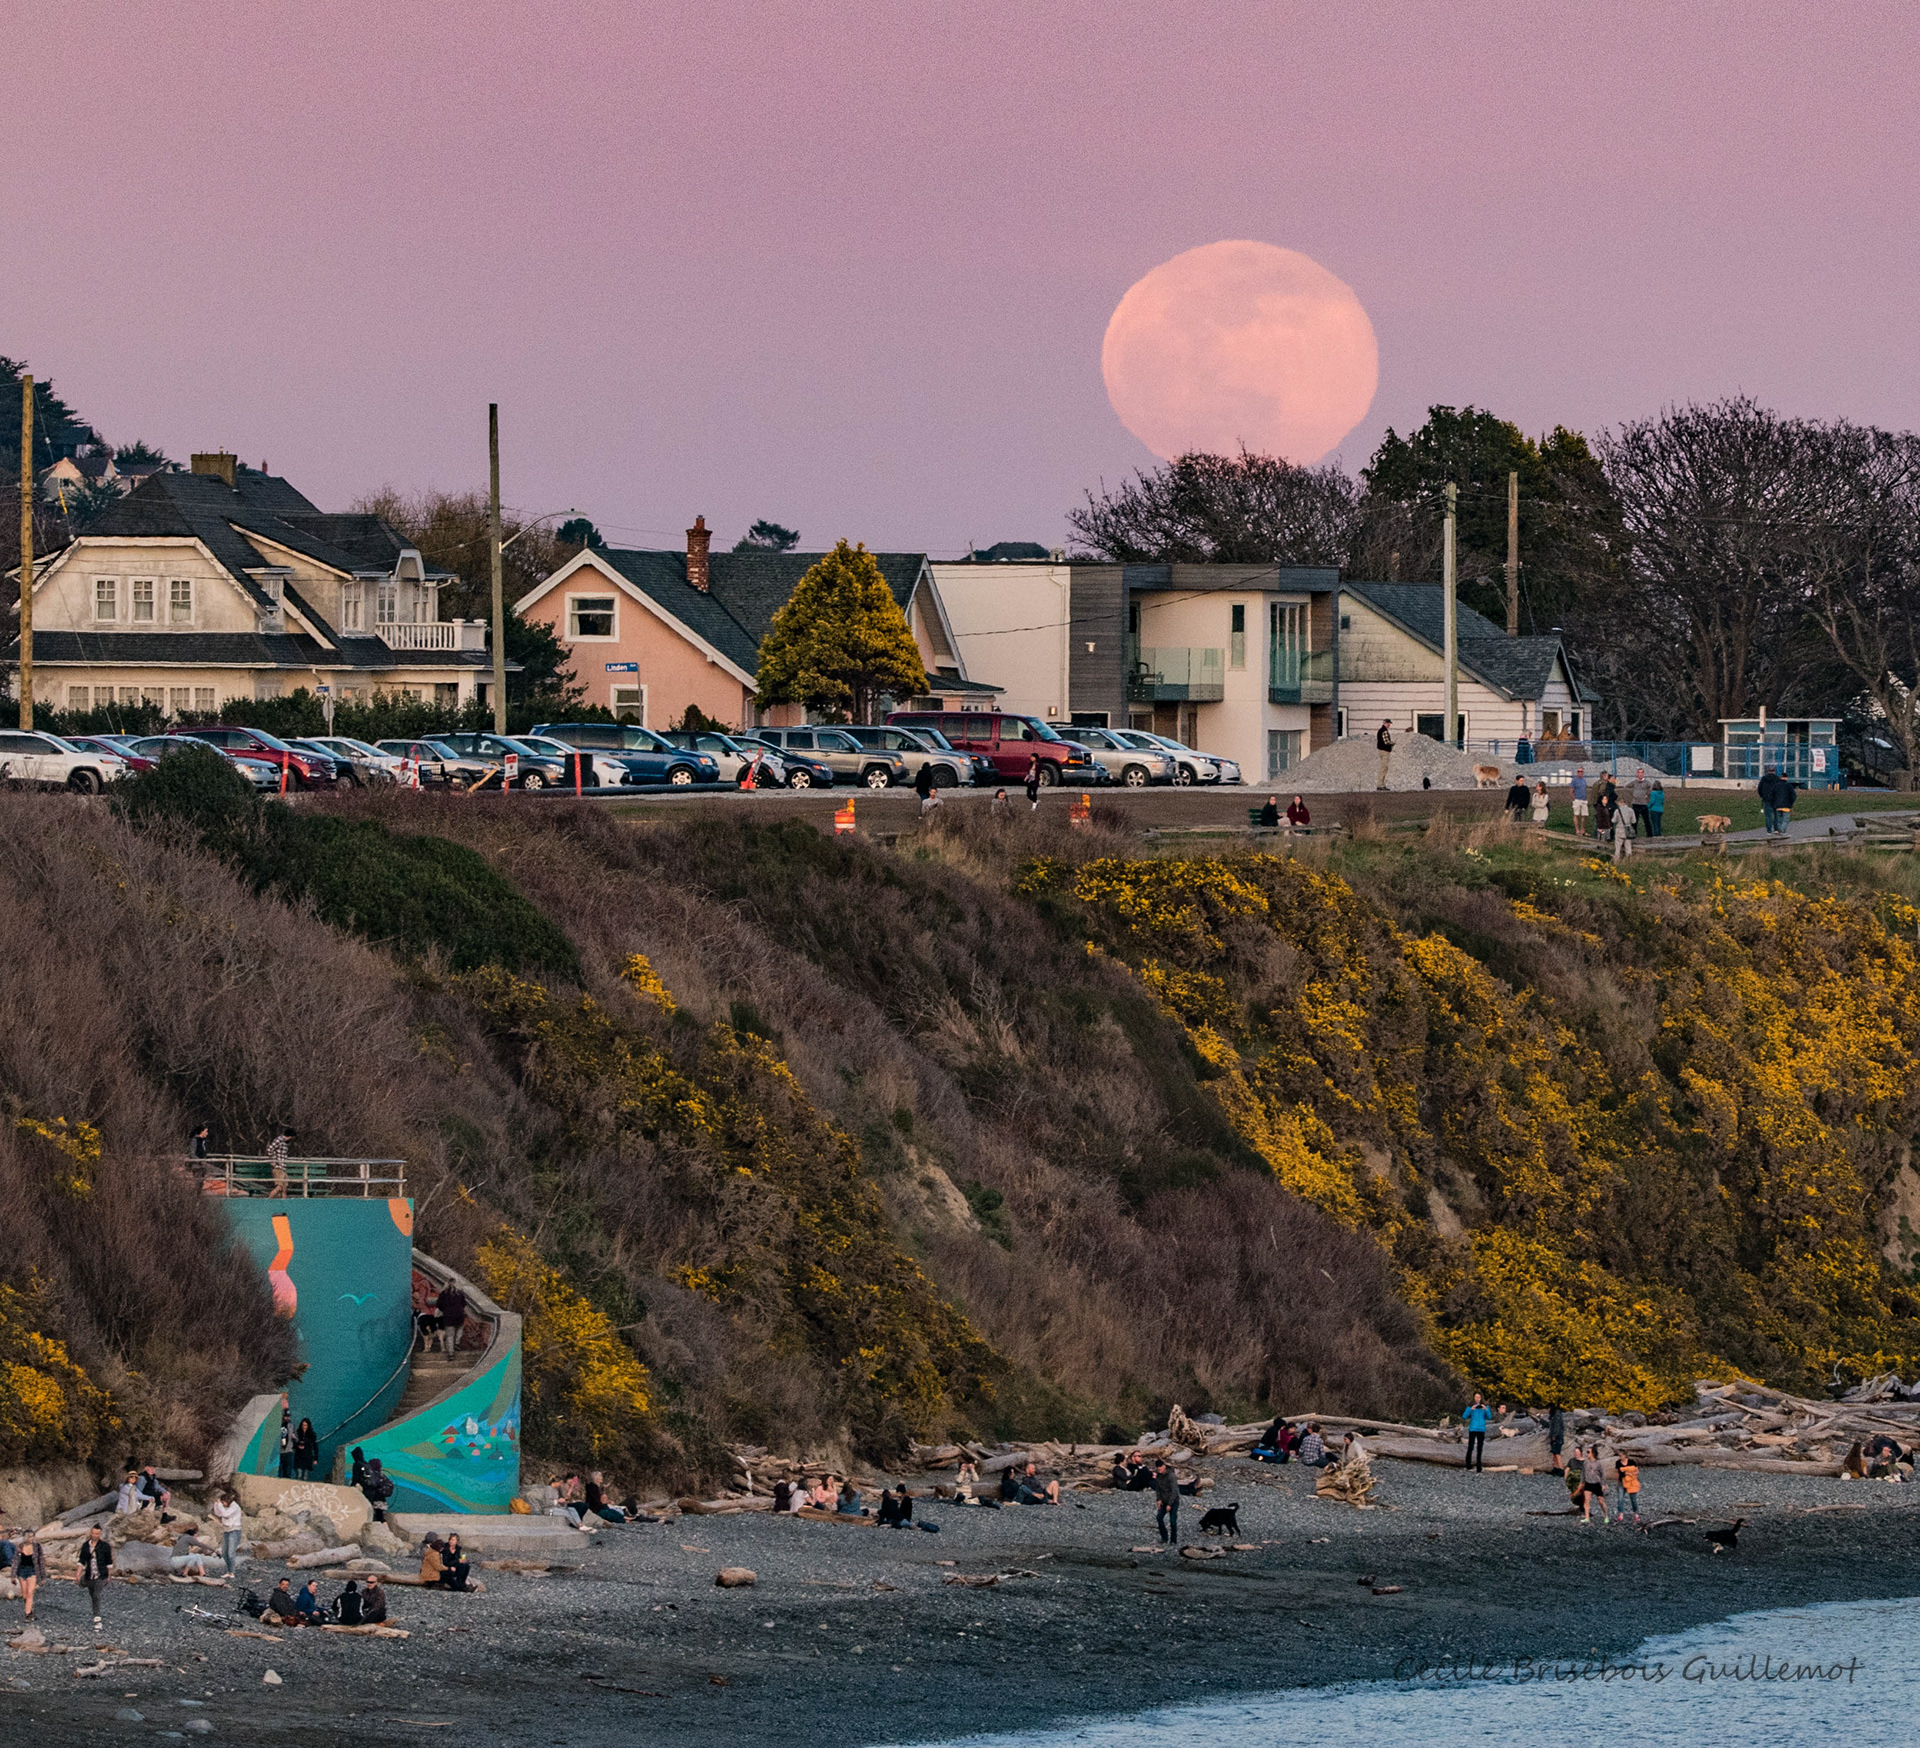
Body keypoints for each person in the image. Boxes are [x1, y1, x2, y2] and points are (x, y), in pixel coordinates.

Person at [76, 1524, 112, 1629]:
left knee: (96, 1595)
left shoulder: (105, 1546)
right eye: (93, 1533)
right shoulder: (86, 1546)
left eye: (97, 1533)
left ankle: (97, 1618)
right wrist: (78, 1574)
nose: (95, 1535)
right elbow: (81, 1561)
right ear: (91, 1533)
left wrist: (109, 1576)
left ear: (100, 1534)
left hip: (101, 1575)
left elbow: (109, 1562)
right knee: (92, 1595)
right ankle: (95, 1613)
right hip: (89, 1574)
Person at [212, 1491, 244, 1574]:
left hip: (234, 1530)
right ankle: (229, 1570)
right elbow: (218, 1513)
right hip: (226, 1530)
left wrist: (219, 1505)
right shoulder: (225, 1507)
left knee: (231, 1553)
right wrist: (216, 1505)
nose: (223, 1504)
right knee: (224, 1553)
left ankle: (232, 1572)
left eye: (224, 1503)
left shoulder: (235, 1506)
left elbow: (226, 1514)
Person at [1151, 1458, 1181, 1544]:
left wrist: (1170, 1504)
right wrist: (1158, 1499)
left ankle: (1173, 1539)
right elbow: (1158, 1489)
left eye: (1160, 1466)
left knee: (1172, 1520)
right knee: (1159, 1517)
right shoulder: (1159, 1476)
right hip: (1163, 1500)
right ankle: (1164, 1537)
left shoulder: (1171, 1476)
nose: (1159, 1468)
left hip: (1173, 1501)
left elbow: (1174, 1491)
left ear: (1164, 1466)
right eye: (1157, 1467)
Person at [436, 1280, 469, 1357]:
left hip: (448, 1316)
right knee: (459, 1328)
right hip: (459, 1315)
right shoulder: (460, 1293)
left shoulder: (443, 1294)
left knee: (450, 1335)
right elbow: (464, 1303)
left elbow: (439, 1304)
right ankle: (457, 1342)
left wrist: (444, 1310)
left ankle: (450, 1353)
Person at [1579, 1445, 1610, 1524]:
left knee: (1601, 1501)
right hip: (1588, 1484)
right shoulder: (1586, 1462)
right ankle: (1587, 1518)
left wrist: (1603, 1484)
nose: (1587, 1454)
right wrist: (1581, 1482)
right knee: (1587, 1501)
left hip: (1597, 1484)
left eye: (1588, 1452)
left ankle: (1606, 1515)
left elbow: (1602, 1474)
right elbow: (1583, 1472)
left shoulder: (1598, 1463)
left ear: (1593, 1453)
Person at [1462, 1393, 1491, 1472]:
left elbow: (1489, 1417)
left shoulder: (1485, 1407)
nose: (1477, 1399)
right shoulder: (1470, 1407)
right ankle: (1468, 1464)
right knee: (1470, 1447)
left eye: (1479, 1397)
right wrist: (1470, 1409)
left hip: (1481, 1429)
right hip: (1473, 1429)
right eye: (1476, 1397)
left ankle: (1479, 1465)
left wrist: (1486, 1410)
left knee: (1480, 1448)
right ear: (1474, 1398)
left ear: (1481, 1398)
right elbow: (1464, 1416)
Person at [362, 1457, 394, 1524]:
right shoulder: (382, 1475)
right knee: (380, 1517)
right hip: (381, 1501)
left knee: (373, 1518)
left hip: (373, 1499)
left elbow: (370, 1484)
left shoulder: (371, 1475)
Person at [413, 1275, 440, 1353]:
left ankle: (427, 1347)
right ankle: (428, 1347)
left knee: (425, 1334)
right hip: (429, 1316)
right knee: (429, 1334)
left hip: (424, 1317)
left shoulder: (421, 1301)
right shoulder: (427, 1297)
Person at [1615, 1454, 1643, 1524]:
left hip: (1631, 1482)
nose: (1620, 1457)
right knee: (1620, 1498)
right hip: (1622, 1482)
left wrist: (1628, 1473)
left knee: (1633, 1499)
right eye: (1619, 1456)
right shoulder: (1618, 1462)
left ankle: (1636, 1514)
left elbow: (1637, 1471)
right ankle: (1621, 1514)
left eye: (1621, 1455)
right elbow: (1618, 1473)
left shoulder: (1631, 1462)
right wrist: (1617, 1483)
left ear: (1625, 1456)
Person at [267, 1126, 293, 1198]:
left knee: (284, 1188)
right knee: (279, 1187)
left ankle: (284, 1205)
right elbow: (270, 1149)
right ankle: (267, 1201)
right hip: (278, 1167)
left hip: (283, 1167)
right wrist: (275, 1161)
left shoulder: (284, 1143)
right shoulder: (279, 1140)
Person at [292, 1417, 319, 1482]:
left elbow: (315, 1446)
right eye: (303, 1425)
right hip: (299, 1455)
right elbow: (294, 1444)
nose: (304, 1427)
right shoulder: (298, 1433)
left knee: (305, 1475)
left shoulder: (312, 1435)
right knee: (299, 1474)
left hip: (307, 1456)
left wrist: (316, 1458)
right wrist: (297, 1445)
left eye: (305, 1425)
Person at [1628, 769, 1652, 836]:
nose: (1640, 774)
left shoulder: (1647, 783)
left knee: (1647, 820)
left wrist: (1647, 794)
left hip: (1644, 804)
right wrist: (1633, 794)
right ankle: (1633, 834)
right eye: (1639, 773)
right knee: (1634, 821)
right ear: (1637, 774)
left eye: (1641, 773)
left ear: (1643, 774)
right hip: (1635, 803)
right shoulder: (1634, 782)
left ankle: (1650, 835)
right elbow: (1626, 787)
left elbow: (1651, 788)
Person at [275, 1402, 295, 1479]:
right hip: (280, 1451)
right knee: (279, 1472)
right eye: (286, 1416)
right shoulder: (279, 1425)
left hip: (288, 1451)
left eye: (288, 1416)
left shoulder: (292, 1426)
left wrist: (294, 1438)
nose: (287, 1418)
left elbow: (295, 1437)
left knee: (287, 1472)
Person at [1547, 1406, 1566, 1475]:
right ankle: (1555, 1468)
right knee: (1554, 1453)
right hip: (1555, 1437)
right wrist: (1540, 1420)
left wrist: (1555, 1436)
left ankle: (1561, 1469)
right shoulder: (1554, 1416)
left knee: (1557, 1453)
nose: (1548, 1410)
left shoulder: (1557, 1416)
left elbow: (1557, 1427)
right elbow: (1548, 1425)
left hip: (1557, 1437)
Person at [1570, 768, 1589, 837]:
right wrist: (1574, 799)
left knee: (1584, 815)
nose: (1580, 773)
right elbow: (1571, 790)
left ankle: (1582, 829)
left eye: (1581, 771)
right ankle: (1577, 830)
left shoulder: (1584, 780)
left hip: (1583, 800)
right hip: (1577, 800)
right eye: (1578, 771)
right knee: (1576, 814)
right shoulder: (1574, 780)